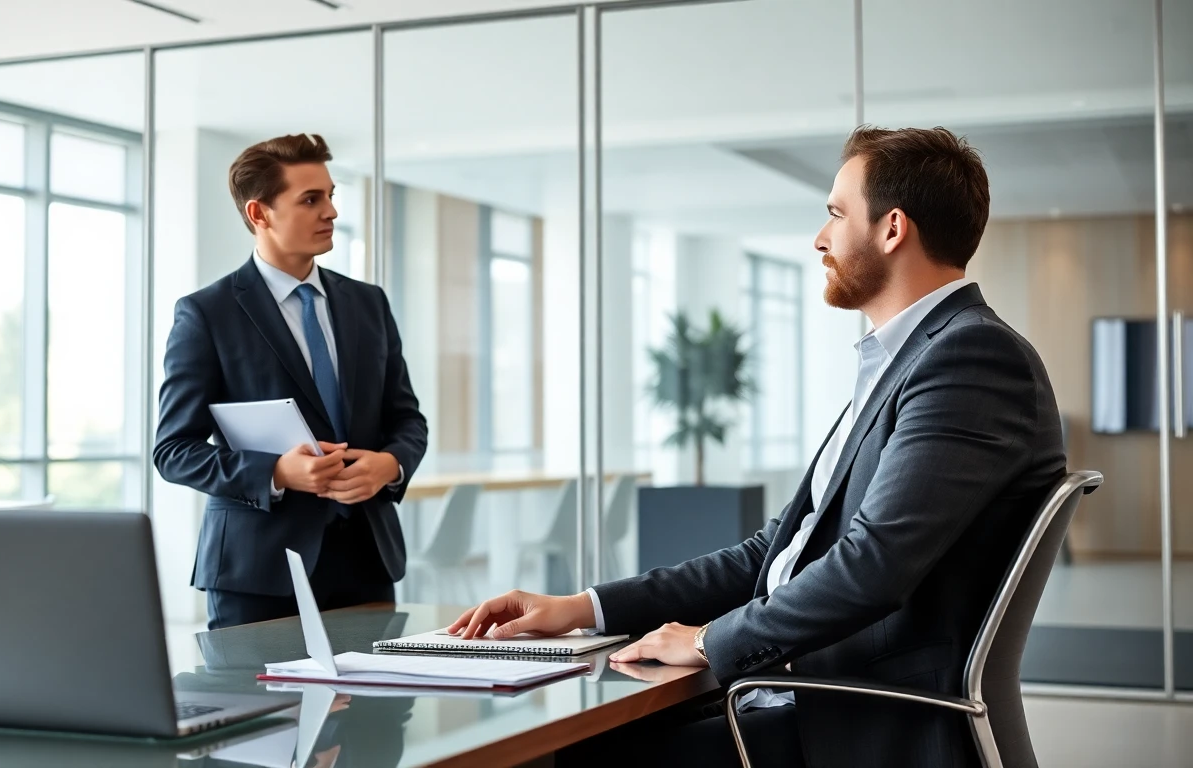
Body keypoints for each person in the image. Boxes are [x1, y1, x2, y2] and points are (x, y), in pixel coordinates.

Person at [448, 126, 1066, 768]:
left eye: (835, 214)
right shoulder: (907, 361)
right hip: (806, 699)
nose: (820, 238)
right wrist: (583, 608)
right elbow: (772, 554)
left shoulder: (969, 357)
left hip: (858, 723)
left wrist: (709, 642)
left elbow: (873, 566)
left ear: (892, 229)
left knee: (560, 754)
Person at [154, 133, 428, 630]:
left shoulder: (369, 304)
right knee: (258, 688)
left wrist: (390, 464)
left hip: (367, 562)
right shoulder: (207, 314)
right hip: (257, 571)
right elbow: (174, 451)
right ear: (259, 213)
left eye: (330, 196)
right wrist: (277, 472)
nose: (331, 212)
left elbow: (407, 419)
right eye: (310, 199)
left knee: (377, 686)